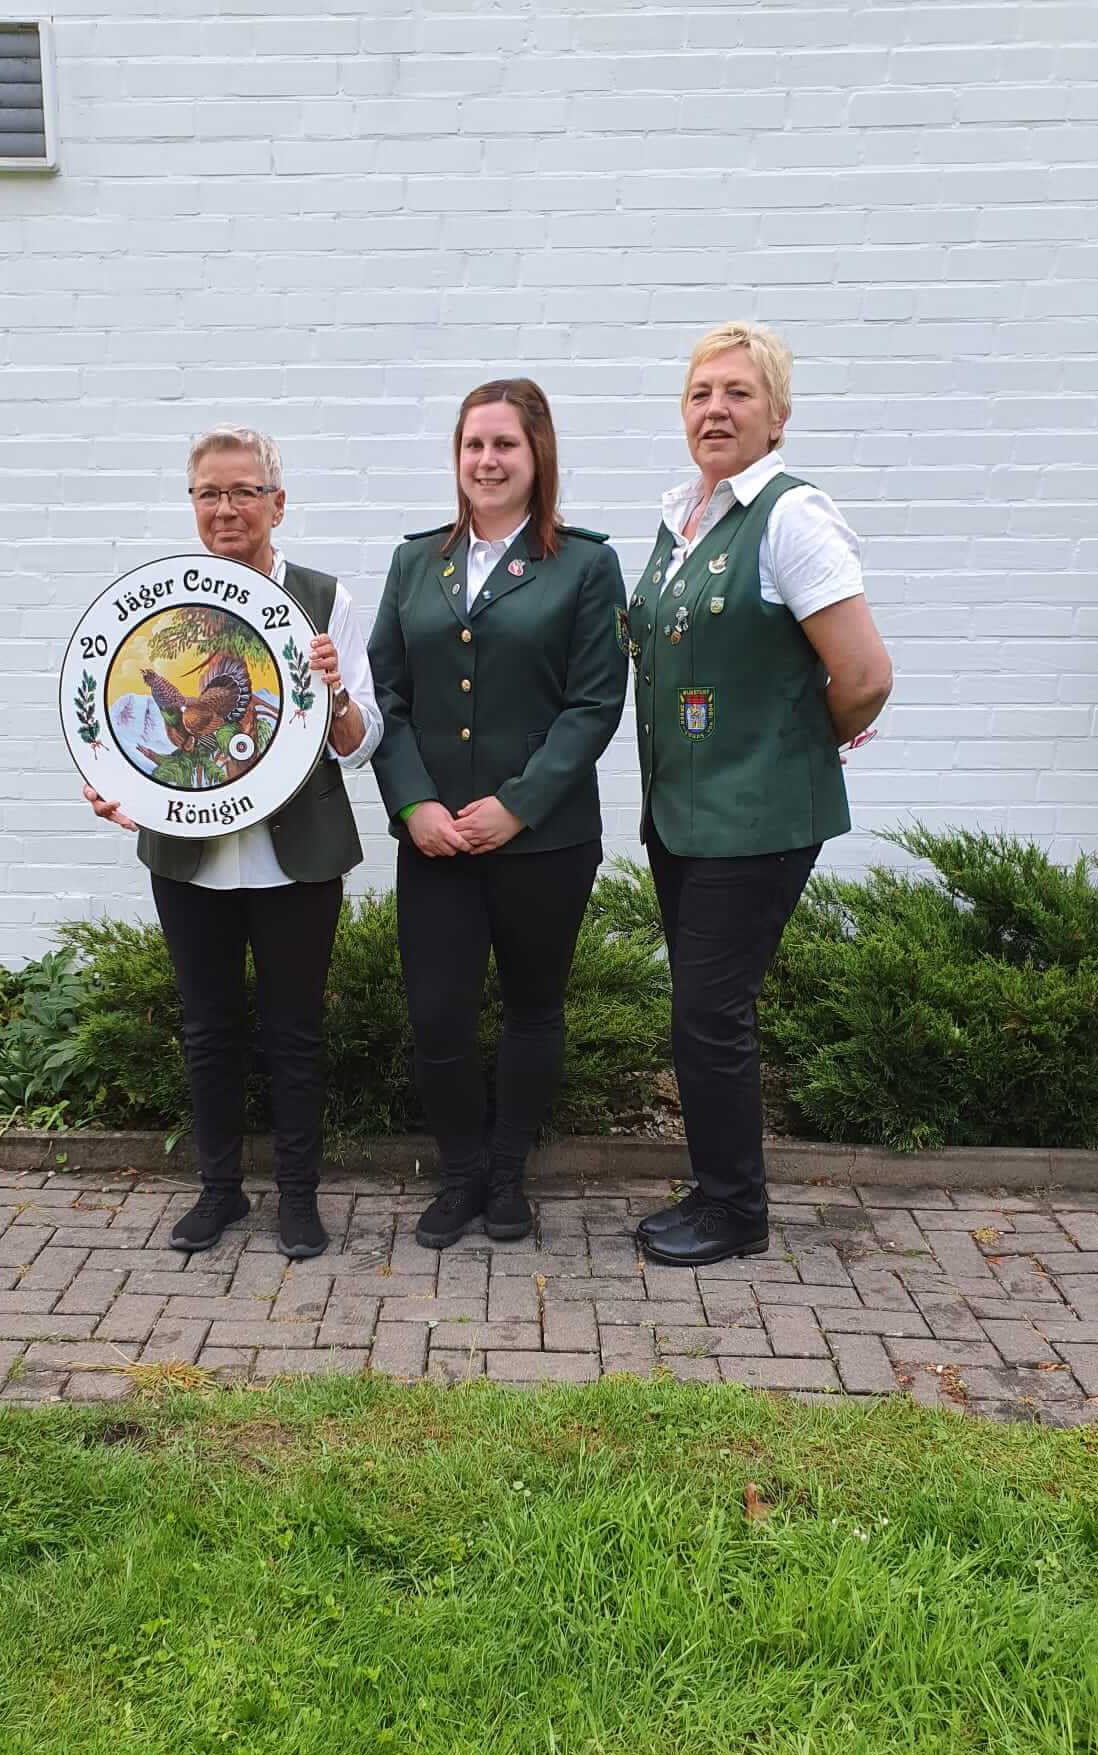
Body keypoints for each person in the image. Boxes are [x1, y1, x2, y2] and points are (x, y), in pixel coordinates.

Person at [629, 321, 893, 1268]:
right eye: (701, 394)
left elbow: (864, 675)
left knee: (710, 1014)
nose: (716, 409)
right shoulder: (684, 519)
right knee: (705, 1012)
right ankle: (716, 1190)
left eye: (739, 393)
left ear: (776, 416)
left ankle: (735, 1211)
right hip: (685, 816)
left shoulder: (792, 516)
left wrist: (795, 745)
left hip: (758, 818)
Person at [85, 426, 382, 1261]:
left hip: (299, 858)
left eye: (244, 491)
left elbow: (362, 743)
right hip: (191, 861)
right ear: (193, 505)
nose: (226, 508)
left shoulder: (324, 600)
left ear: (276, 505)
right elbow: (128, 728)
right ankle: (219, 1192)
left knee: (295, 1036)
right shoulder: (160, 611)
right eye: (209, 493)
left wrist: (335, 693)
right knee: (208, 1032)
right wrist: (116, 783)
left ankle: (298, 1198)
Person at [369, 378, 628, 1250]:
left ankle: (509, 1177)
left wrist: (518, 807)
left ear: (536, 455)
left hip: (545, 841)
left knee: (533, 1009)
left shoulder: (585, 565)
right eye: (473, 445)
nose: (487, 460)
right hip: (435, 841)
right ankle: (459, 1175)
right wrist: (413, 804)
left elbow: (594, 703)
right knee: (437, 1015)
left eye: (504, 444)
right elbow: (387, 695)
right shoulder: (415, 562)